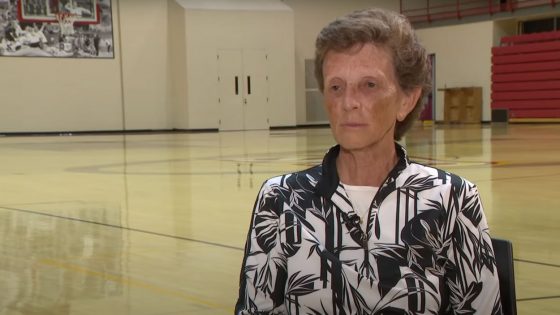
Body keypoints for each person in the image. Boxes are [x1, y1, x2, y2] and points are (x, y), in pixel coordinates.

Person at [235, 7, 502, 315]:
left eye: (369, 85)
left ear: (407, 99)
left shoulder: (452, 199)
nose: (349, 103)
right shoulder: (281, 200)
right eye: (336, 87)